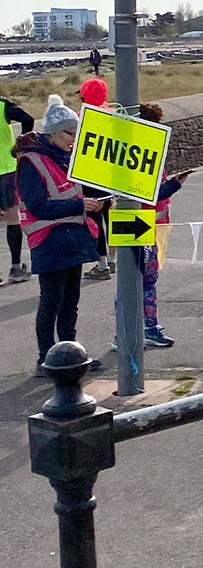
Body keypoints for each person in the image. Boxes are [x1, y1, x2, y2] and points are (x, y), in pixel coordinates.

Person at [15, 95, 105, 375]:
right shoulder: (31, 161)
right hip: (49, 240)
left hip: (72, 236)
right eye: (69, 133)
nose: (74, 139)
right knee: (51, 302)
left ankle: (71, 354)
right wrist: (80, 205)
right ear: (52, 132)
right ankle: (45, 359)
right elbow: (37, 205)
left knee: (70, 303)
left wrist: (96, 200)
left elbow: (74, 192)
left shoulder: (66, 157)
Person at [110, 103, 192, 350]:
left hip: (144, 224)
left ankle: (145, 327)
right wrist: (174, 185)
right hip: (135, 222)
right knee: (132, 278)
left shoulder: (135, 150)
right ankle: (127, 332)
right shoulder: (136, 153)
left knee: (143, 279)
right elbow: (146, 193)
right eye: (155, 126)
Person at [78, 77, 115, 280]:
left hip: (90, 176)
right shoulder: (114, 115)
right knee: (112, 217)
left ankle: (101, 264)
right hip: (112, 175)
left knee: (95, 220)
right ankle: (114, 260)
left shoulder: (81, 117)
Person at [1, 94, 36, 284]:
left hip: (5, 170)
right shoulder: (3, 105)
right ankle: (15, 267)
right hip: (5, 169)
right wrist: (19, 145)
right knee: (12, 220)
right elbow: (28, 119)